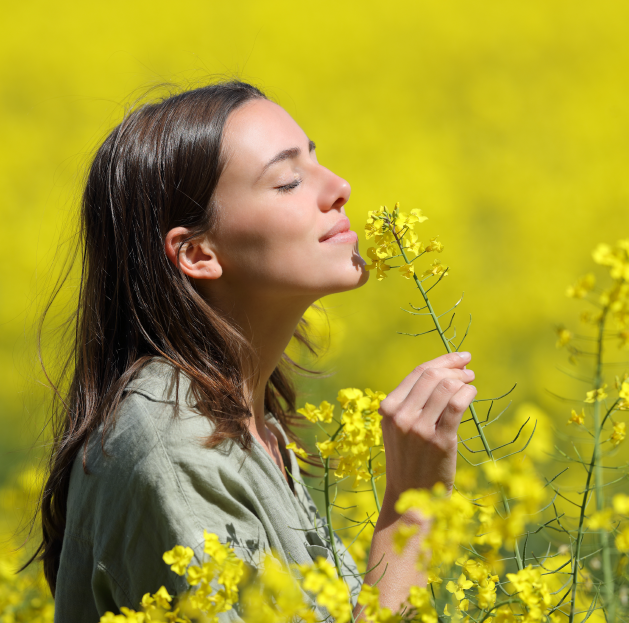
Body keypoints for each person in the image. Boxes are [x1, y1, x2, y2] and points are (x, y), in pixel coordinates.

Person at [31, 80, 477, 621]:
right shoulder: (174, 449)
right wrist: (413, 512)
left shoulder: (244, 420)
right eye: (289, 181)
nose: (340, 187)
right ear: (197, 253)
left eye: (317, 161)